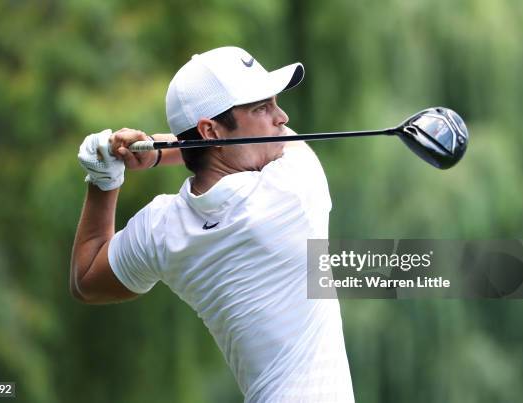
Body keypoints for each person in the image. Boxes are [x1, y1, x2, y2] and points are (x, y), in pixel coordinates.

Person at [71, 46, 355, 402]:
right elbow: (274, 143)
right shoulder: (293, 190)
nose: (280, 117)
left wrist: (104, 179)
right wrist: (157, 151)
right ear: (211, 130)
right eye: (262, 107)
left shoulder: (161, 228)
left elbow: (86, 280)